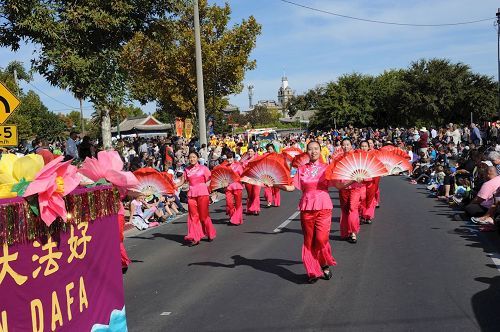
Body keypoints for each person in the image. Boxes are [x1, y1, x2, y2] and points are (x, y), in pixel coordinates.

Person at [278, 141, 337, 283]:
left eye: (316, 149)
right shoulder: (302, 169)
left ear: (321, 150)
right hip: (306, 208)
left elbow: (339, 185)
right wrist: (275, 184)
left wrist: (354, 179)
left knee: (321, 239)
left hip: (323, 206)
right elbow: (292, 187)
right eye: (310, 149)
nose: (313, 151)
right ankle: (312, 271)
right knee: (309, 240)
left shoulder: (327, 168)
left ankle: (323, 263)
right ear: (307, 152)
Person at [176, 151, 216, 246]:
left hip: (203, 193)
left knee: (203, 216)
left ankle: (210, 233)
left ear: (197, 158)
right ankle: (195, 237)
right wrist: (171, 186)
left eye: (194, 157)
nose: (192, 159)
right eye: (190, 157)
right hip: (191, 195)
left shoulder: (204, 168)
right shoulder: (186, 170)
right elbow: (182, 182)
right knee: (193, 217)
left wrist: (211, 191)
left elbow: (211, 179)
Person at [336, 138, 364, 243]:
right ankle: (345, 232)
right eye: (344, 145)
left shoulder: (357, 158)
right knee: (345, 210)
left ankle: (353, 232)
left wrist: (361, 177)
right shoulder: (338, 159)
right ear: (341, 146)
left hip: (355, 187)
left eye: (348, 144)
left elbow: (362, 170)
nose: (346, 146)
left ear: (351, 145)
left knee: (353, 208)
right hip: (343, 187)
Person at [223, 151, 244, 225]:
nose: (229, 160)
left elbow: (242, 176)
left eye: (230, 158)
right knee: (229, 204)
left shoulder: (238, 166)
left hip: (237, 186)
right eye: (228, 158)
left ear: (233, 158)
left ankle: (236, 219)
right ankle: (233, 217)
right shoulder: (224, 167)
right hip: (228, 188)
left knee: (238, 204)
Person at [243, 147, 261, 215]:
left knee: (256, 194)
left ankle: (256, 209)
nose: (250, 152)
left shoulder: (258, 159)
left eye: (251, 151)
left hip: (257, 179)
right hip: (248, 180)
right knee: (250, 195)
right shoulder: (245, 162)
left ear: (254, 152)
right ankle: (249, 209)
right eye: (249, 151)